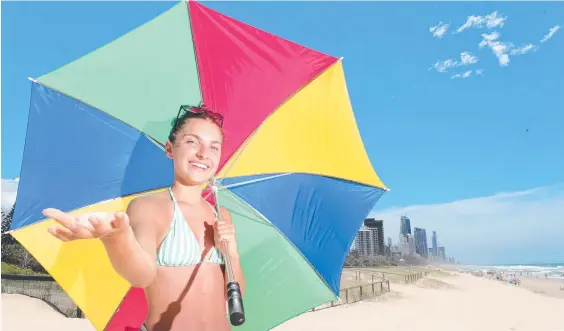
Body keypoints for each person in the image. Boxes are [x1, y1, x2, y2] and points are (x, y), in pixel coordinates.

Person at [43, 105, 246, 331]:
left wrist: (232, 253)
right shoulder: (149, 207)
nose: (203, 153)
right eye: (192, 142)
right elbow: (142, 275)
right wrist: (115, 238)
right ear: (170, 148)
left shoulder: (220, 214)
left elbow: (235, 295)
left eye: (214, 147)